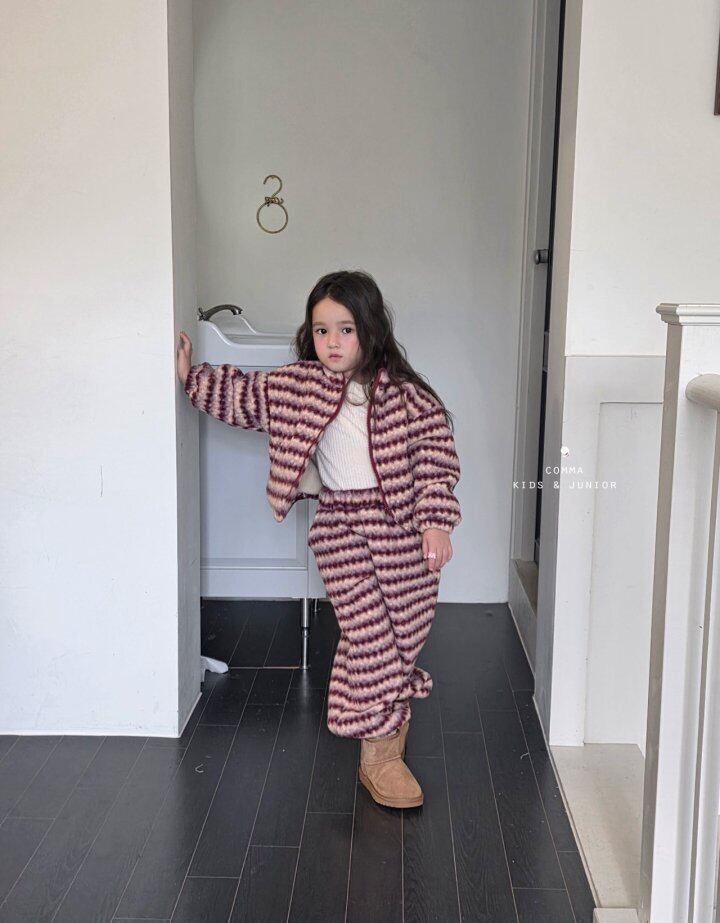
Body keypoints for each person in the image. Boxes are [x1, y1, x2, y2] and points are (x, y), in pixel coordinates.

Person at [176, 269, 461, 809]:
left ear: (371, 329)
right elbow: (245, 396)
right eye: (322, 330)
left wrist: (436, 521)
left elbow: (435, 461)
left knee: (404, 634)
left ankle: (391, 719)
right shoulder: (299, 386)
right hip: (341, 527)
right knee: (369, 636)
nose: (332, 342)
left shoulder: (407, 398)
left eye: (345, 329)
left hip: (402, 528)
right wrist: (193, 377)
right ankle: (380, 757)